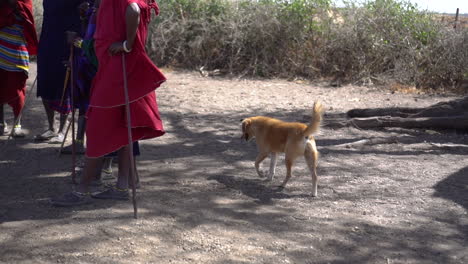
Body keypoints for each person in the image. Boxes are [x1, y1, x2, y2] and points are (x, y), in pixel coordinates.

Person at [51, 0, 166, 206]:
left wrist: (126, 45)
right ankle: (122, 187)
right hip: (122, 70)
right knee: (125, 129)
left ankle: (82, 191)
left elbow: (132, 9)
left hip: (119, 70)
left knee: (97, 128)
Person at [35, 0, 82, 143]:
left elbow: (83, 12)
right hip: (47, 40)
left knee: (65, 83)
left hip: (67, 41)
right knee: (44, 82)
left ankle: (62, 129)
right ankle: (51, 127)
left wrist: (77, 38)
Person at [0, 0, 38, 137]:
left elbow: (26, 14)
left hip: (17, 48)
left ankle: (17, 124)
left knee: (17, 89)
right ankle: (1, 123)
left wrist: (14, 5)